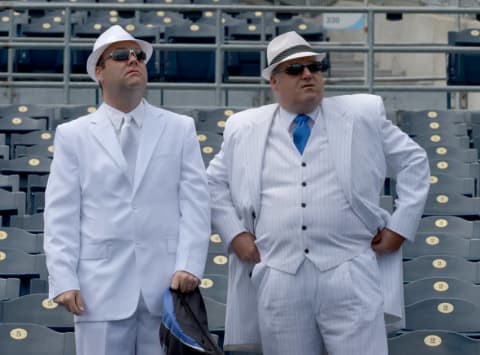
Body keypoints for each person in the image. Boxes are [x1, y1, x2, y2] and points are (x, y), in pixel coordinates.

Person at [206, 31, 430, 355]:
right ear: (274, 82)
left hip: (349, 268)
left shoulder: (362, 113)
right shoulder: (244, 127)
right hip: (279, 273)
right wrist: (235, 233)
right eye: (295, 70)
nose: (308, 74)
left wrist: (400, 226)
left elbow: (414, 161)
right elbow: (211, 183)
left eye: (314, 66)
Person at [44, 25, 211, 355]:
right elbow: (61, 213)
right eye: (121, 56)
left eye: (138, 55)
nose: (133, 60)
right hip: (97, 291)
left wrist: (189, 264)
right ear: (99, 72)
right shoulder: (72, 135)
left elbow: (195, 203)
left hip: (166, 289)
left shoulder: (180, 128)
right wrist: (64, 279)